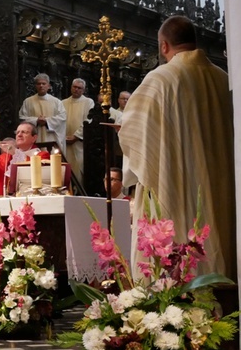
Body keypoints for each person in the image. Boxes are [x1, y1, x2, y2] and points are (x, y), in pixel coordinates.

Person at [119, 15, 236, 279]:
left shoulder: (160, 79)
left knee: (180, 246)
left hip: (176, 181)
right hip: (220, 183)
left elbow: (134, 134)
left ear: (163, 45)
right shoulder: (222, 78)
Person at [18, 73, 67, 153]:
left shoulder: (56, 102)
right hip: (34, 138)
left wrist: (47, 121)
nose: (41, 86)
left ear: (48, 86)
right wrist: (36, 120)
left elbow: (62, 117)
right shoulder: (28, 101)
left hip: (51, 138)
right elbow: (22, 117)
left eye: (43, 83)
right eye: (38, 84)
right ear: (35, 86)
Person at [62, 78, 94, 184]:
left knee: (78, 173)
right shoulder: (63, 103)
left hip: (79, 143)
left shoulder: (88, 102)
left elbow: (88, 120)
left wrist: (76, 136)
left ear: (83, 90)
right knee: (65, 171)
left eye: (79, 88)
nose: (76, 90)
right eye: (74, 87)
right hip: (64, 142)